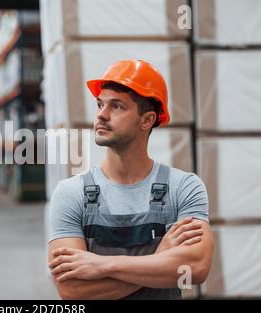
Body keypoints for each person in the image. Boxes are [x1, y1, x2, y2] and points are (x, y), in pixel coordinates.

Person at [47, 60, 214, 299]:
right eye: (100, 104)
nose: (101, 115)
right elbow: (72, 290)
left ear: (146, 120)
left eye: (117, 107)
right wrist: (159, 259)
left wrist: (103, 265)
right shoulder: (71, 192)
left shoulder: (183, 187)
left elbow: (195, 268)